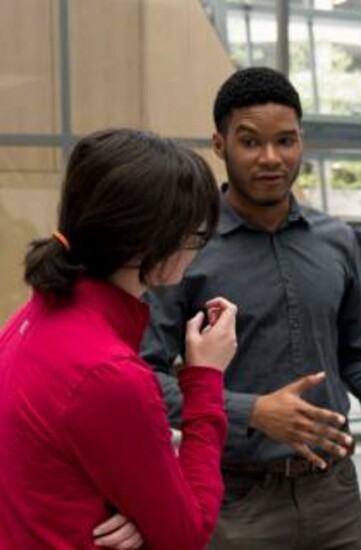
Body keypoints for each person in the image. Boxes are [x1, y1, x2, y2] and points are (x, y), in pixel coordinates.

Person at [141, 67, 361, 549]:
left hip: (332, 495)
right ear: (219, 144)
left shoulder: (334, 240)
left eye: (286, 141)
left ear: (301, 142)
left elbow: (356, 349)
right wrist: (252, 411)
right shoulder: (186, 246)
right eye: (250, 142)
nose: (271, 158)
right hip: (233, 500)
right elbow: (144, 378)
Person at [0, 128, 238, 549]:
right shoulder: (108, 372)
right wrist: (205, 378)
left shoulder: (30, 320)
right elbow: (187, 533)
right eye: (196, 235)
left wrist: (139, 505)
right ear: (155, 242)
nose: (199, 247)